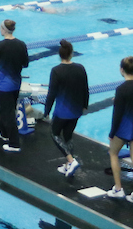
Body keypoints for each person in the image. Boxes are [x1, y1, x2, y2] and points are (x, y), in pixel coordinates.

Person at [43, 39, 89, 177]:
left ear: (59, 55)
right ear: (71, 54)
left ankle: (71, 160)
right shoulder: (80, 68)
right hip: (76, 110)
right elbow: (85, 89)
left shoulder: (56, 71)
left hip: (62, 111)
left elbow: (52, 93)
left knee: (55, 133)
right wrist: (85, 106)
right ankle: (69, 165)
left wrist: (46, 111)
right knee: (68, 136)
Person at [107, 56, 133, 205]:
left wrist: (112, 133)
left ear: (122, 70)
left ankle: (118, 189)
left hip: (123, 128)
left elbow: (117, 115)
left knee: (113, 153)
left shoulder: (121, 89)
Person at [0, 18, 29, 152]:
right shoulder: (21, 44)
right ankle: (4, 133)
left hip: (4, 84)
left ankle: (14, 143)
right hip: (16, 83)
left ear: (4, 29)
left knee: (7, 113)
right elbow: (25, 63)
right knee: (8, 109)